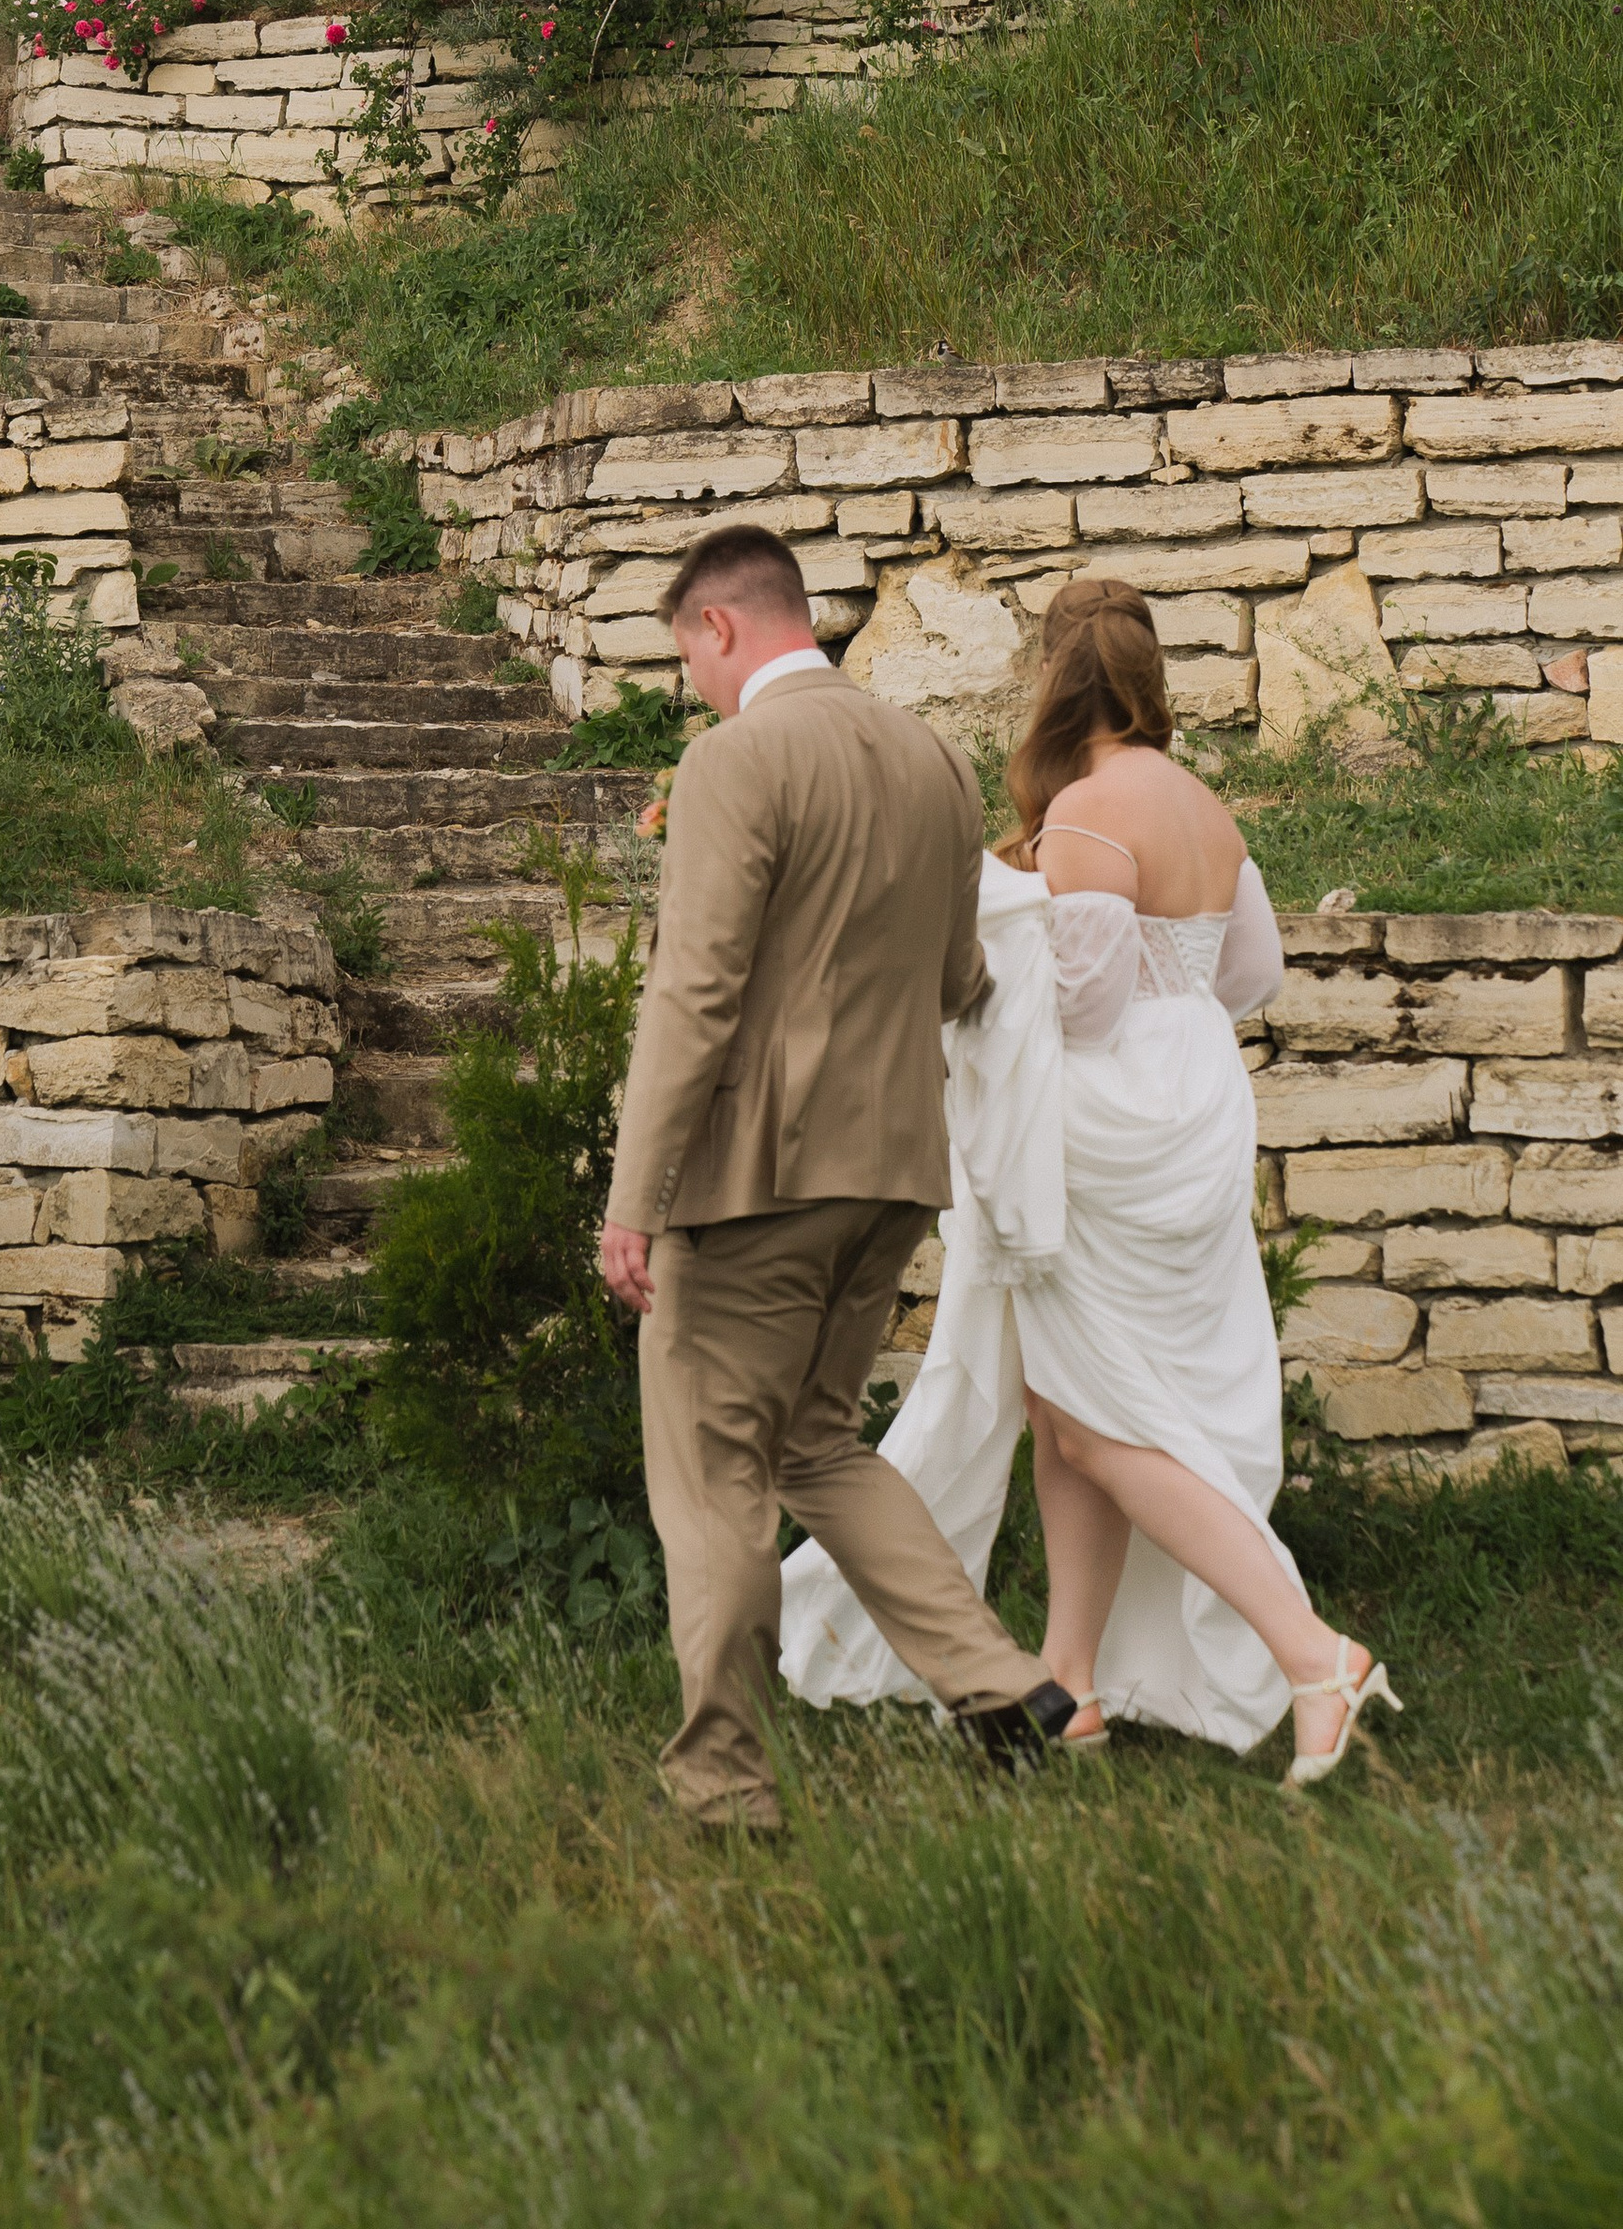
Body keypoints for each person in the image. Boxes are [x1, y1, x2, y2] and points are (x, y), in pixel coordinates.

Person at [782, 574, 1398, 1789]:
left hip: (1103, 1125)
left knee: (1093, 1418)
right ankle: (1075, 1686)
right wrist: (1173, 1013)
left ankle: (1313, 1653)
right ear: (1148, 680)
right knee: (1075, 1410)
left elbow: (1081, 1004)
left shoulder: (1084, 813)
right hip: (1199, 1102)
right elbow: (1252, 973)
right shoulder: (1204, 806)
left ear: (1055, 685)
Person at [598, 523, 1073, 1832]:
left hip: (752, 1180)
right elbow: (959, 981)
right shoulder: (932, 761)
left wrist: (634, 1196)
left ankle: (724, 1783)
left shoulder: (734, 762)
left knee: (713, 1480)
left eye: (685, 652)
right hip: (895, 1173)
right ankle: (1003, 1683)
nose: (692, 679)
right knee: (815, 1442)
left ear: (719, 628)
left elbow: (694, 992)